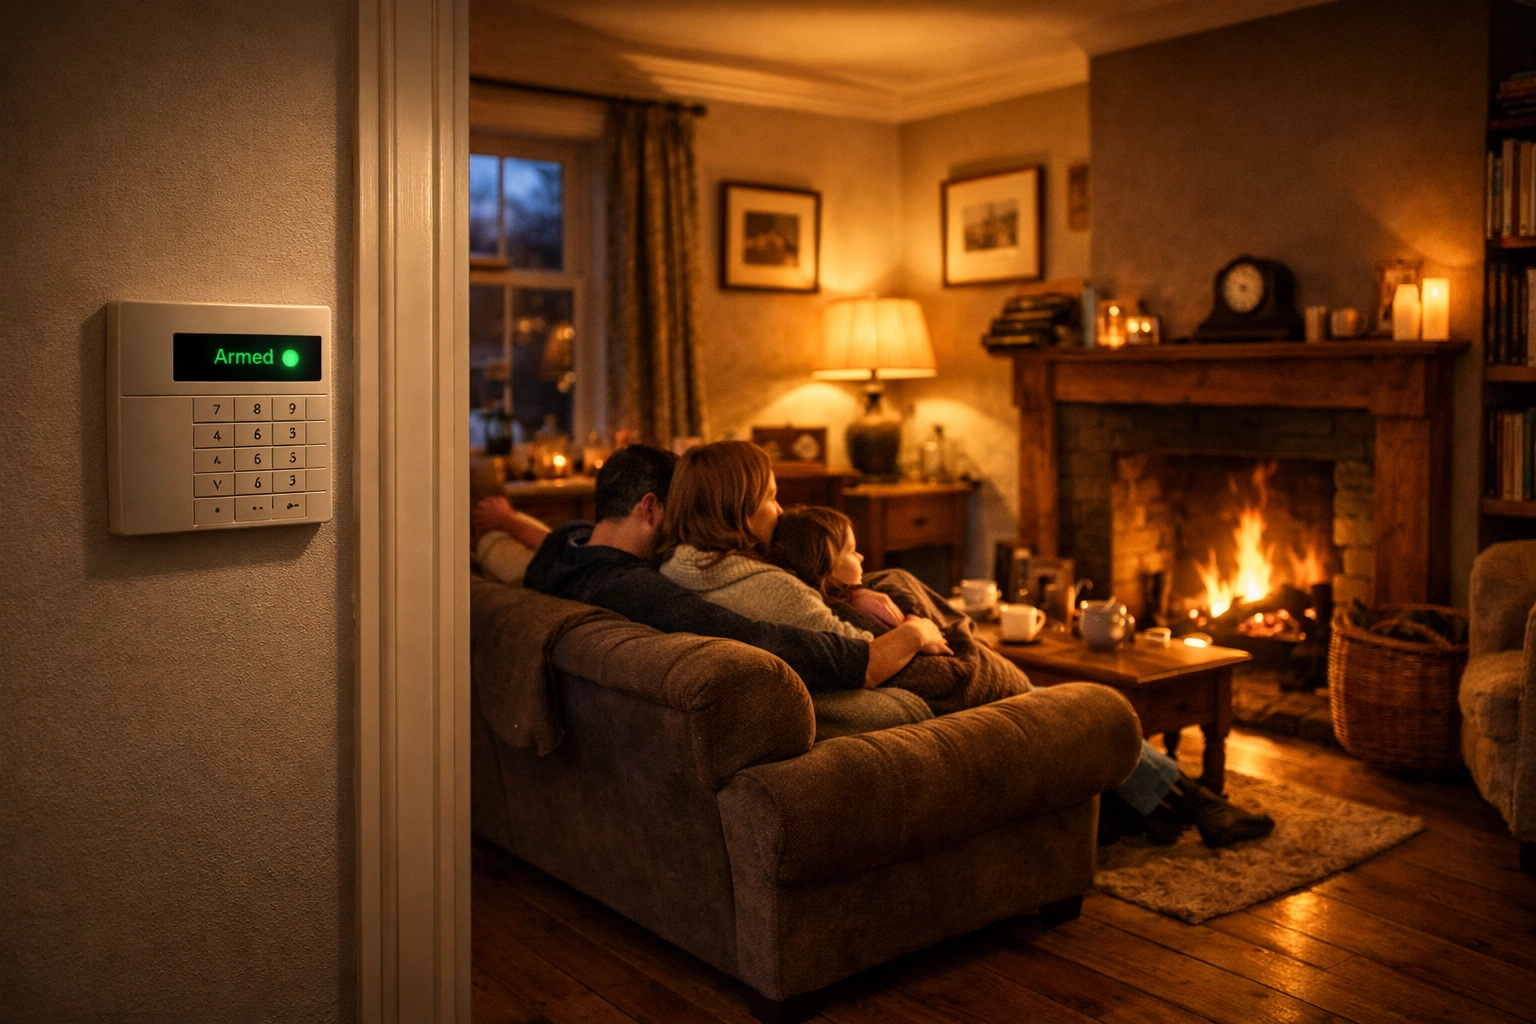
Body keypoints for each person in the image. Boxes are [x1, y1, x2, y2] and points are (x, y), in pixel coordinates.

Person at [762, 502, 1276, 850]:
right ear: (828, 559)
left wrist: (904, 611)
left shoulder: (870, 596)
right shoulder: (861, 621)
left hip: (991, 685)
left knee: (1068, 706)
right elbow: (956, 668)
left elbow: (954, 637)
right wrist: (930, 630)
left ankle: (1174, 805)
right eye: (852, 550)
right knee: (1087, 710)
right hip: (982, 700)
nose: (863, 556)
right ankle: (1194, 803)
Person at [479, 444, 926, 691]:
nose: (692, 523)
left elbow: (552, 536)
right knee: (901, 587)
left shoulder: (571, 546)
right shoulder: (630, 586)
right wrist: (873, 653)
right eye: (683, 510)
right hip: (851, 655)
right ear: (650, 509)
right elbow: (753, 637)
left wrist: (508, 522)